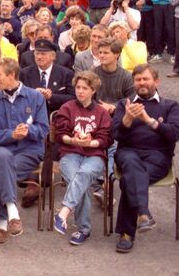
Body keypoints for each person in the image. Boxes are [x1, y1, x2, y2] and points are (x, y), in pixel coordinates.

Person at [112, 64, 179, 253]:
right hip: (128, 152)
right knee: (131, 165)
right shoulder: (123, 105)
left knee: (130, 178)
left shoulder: (170, 106)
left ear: (156, 82)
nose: (141, 83)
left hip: (157, 156)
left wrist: (149, 121)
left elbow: (175, 134)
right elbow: (115, 135)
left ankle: (126, 233)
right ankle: (143, 213)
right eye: (138, 79)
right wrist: (127, 119)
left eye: (146, 79)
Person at [0, 58, 49, 244]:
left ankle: (1, 223)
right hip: (3, 149)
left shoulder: (35, 97)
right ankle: (12, 213)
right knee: (2, 158)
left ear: (11, 75)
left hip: (29, 151)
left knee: (2, 170)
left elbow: (43, 129)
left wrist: (28, 130)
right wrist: (12, 134)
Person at [52, 71, 112, 245]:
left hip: (94, 155)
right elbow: (59, 135)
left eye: (85, 88)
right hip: (70, 152)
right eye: (78, 87)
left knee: (83, 175)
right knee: (80, 183)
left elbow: (106, 139)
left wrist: (90, 143)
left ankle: (64, 212)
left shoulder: (101, 112)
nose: (80, 91)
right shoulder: (67, 107)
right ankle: (83, 229)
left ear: (93, 90)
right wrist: (73, 140)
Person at [19, 39, 75, 114]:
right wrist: (34, 93)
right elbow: (19, 95)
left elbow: (72, 98)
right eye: (37, 53)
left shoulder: (66, 74)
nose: (39, 57)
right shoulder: (24, 73)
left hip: (56, 115)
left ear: (53, 56)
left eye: (43, 54)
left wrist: (51, 97)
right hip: (30, 113)